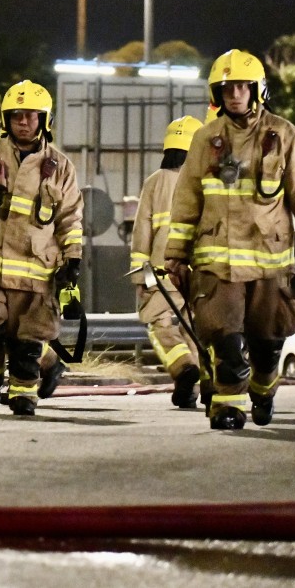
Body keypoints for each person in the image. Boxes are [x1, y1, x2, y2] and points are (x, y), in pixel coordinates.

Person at [165, 49, 295, 430]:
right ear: (217, 93)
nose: (235, 94)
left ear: (258, 90)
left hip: (268, 259)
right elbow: (187, 198)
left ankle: (264, 384)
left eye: (242, 86)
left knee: (266, 341)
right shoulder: (205, 139)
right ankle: (228, 407)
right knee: (223, 336)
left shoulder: (283, 134)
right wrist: (175, 254)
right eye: (227, 87)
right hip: (217, 263)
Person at [0, 80, 84, 416]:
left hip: (36, 273)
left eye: (29, 116)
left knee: (28, 341)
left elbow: (70, 218)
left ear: (44, 120)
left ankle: (24, 394)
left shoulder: (61, 167)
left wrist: (73, 259)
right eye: (15, 116)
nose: (22, 122)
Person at [129, 115, 205, 410]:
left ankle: (183, 369)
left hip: (160, 274)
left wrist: (141, 279)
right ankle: (196, 388)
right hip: (198, 272)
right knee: (195, 330)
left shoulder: (154, 183)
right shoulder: (203, 184)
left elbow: (142, 234)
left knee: (159, 325)